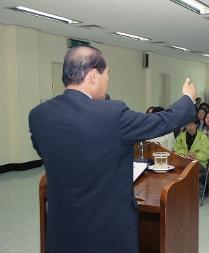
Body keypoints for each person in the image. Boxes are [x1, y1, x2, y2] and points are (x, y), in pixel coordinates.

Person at [28, 45, 197, 253]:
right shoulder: (112, 114)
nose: (108, 81)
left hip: (61, 230)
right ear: (93, 76)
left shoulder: (38, 115)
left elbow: (45, 151)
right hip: (107, 233)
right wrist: (188, 98)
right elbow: (163, 121)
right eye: (107, 74)